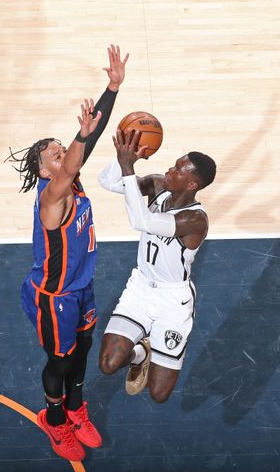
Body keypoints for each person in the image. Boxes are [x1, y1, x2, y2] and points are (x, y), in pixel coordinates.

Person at [9, 45, 128, 462]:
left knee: (83, 349)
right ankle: (55, 420)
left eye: (64, 150)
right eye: (54, 155)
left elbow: (89, 138)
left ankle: (77, 408)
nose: (64, 156)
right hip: (54, 297)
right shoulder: (51, 197)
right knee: (59, 362)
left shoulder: (70, 180)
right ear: (44, 170)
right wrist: (78, 139)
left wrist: (112, 88)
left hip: (82, 288)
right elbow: (80, 150)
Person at [97, 128, 216, 403]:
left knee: (158, 394)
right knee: (108, 364)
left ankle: (148, 349)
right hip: (139, 288)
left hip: (172, 300)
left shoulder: (195, 220)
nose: (169, 171)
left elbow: (143, 222)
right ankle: (142, 352)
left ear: (192, 185)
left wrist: (128, 167)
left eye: (178, 170)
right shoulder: (158, 185)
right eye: (173, 165)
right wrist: (123, 159)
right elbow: (108, 181)